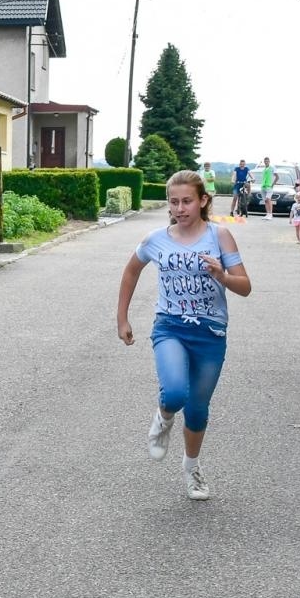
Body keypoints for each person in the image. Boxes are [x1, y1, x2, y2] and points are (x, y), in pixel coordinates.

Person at [115, 170, 251, 502]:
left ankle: (192, 470)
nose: (180, 208)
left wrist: (221, 275)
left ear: (203, 200)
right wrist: (122, 318)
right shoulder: (155, 239)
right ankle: (163, 419)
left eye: (187, 201)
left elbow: (245, 287)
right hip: (171, 327)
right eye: (173, 202)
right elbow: (132, 270)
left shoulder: (220, 236)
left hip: (210, 333)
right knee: (175, 393)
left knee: (197, 410)